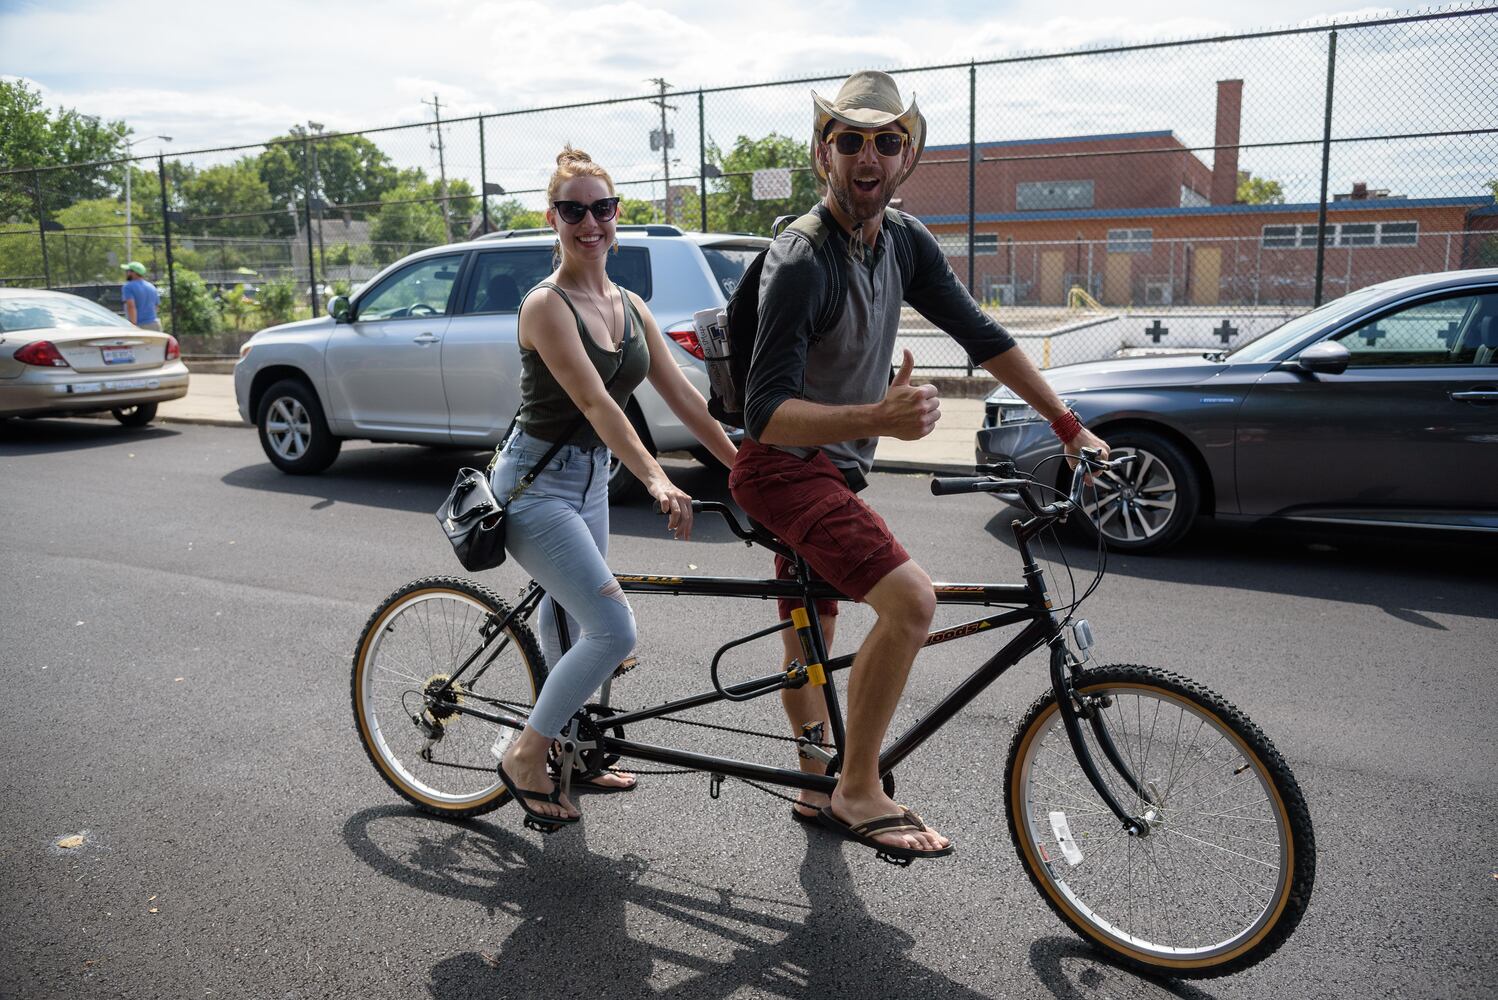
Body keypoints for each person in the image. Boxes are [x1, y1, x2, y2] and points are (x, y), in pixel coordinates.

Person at [728, 71, 1110, 861]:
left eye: (887, 141)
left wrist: (1066, 423)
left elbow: (982, 334)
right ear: (821, 153)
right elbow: (762, 413)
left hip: (834, 468)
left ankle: (814, 779)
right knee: (909, 602)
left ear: (909, 156)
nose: (868, 156)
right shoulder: (802, 257)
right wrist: (879, 417)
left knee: (809, 630)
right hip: (781, 469)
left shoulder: (904, 240)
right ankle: (856, 788)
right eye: (850, 140)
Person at [494, 146, 738, 827]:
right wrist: (658, 478)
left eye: (601, 208)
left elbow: (685, 399)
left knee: (574, 617)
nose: (590, 223)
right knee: (612, 629)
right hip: (535, 486)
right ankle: (527, 753)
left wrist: (740, 467)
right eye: (574, 211)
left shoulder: (629, 305)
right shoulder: (546, 306)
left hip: (590, 482)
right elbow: (601, 405)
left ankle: (569, 753)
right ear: (554, 219)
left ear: (616, 215)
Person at [119, 261, 162, 330]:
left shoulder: (128, 286)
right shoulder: (151, 286)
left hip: (139, 326)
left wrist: (133, 326)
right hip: (155, 324)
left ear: (133, 273)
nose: (126, 273)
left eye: (127, 271)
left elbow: (131, 307)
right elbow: (156, 307)